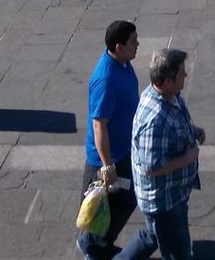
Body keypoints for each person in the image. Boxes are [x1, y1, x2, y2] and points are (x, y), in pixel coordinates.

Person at [119, 48, 205, 260]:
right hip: (164, 201)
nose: (186, 76)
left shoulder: (169, 95)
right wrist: (188, 158)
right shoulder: (155, 119)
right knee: (179, 251)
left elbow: (175, 120)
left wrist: (192, 130)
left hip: (173, 193)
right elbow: (151, 167)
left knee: (152, 235)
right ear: (167, 81)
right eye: (182, 73)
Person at [78, 20, 141, 260]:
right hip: (106, 160)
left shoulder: (123, 64)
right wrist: (107, 166)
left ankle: (99, 244)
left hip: (123, 150)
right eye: (133, 42)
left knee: (124, 200)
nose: (138, 45)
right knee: (103, 207)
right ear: (118, 46)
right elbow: (99, 125)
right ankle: (92, 249)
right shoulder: (105, 79)